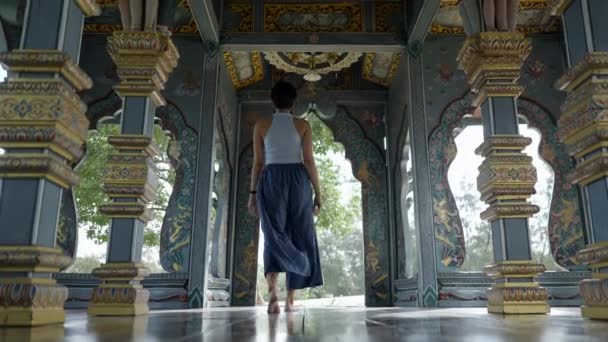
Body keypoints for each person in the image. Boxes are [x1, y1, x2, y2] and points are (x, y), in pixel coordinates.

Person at [247, 81, 323, 314]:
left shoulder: (261, 124)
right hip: (299, 180)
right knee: (300, 233)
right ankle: (290, 299)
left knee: (273, 234)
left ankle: (273, 296)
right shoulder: (303, 125)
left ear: (273, 100)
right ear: (293, 102)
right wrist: (318, 192)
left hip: (271, 179)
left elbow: (258, 163)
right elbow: (308, 160)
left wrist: (252, 194)